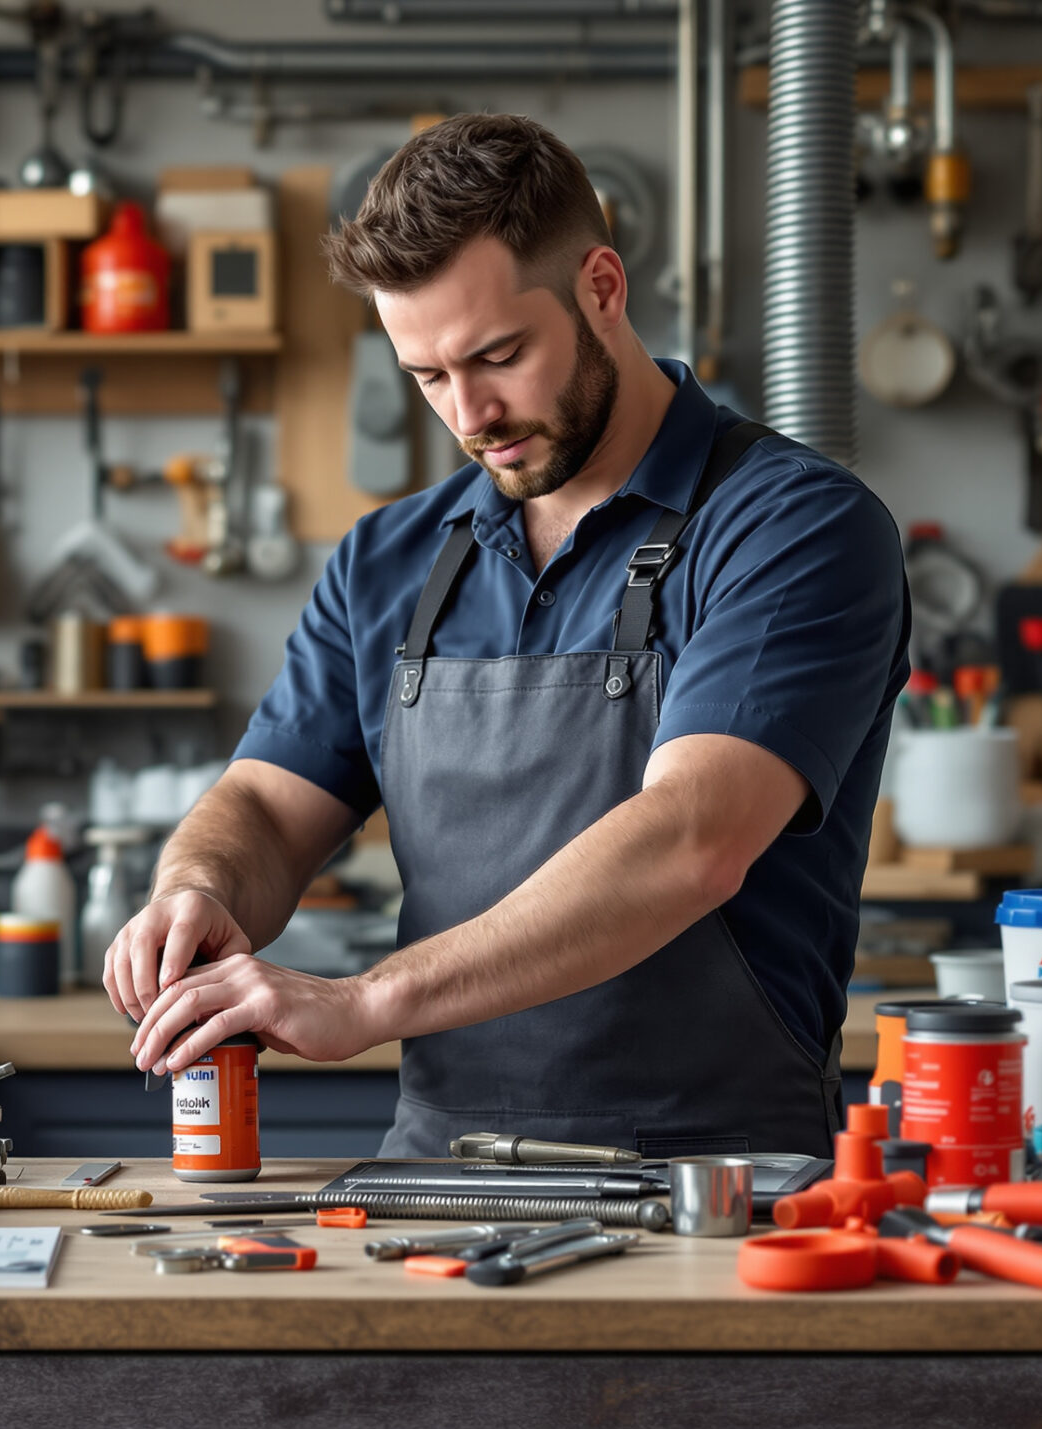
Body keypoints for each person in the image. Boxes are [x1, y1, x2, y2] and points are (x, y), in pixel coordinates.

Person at [107, 113, 909, 1159]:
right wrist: (196, 890)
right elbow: (264, 800)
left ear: (602, 289)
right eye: (428, 377)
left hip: (716, 1194)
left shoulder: (791, 526)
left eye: (497, 355)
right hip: (438, 1186)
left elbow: (692, 839)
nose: (470, 412)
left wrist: (364, 1000)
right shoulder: (388, 560)